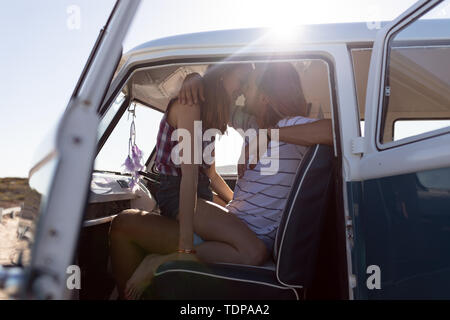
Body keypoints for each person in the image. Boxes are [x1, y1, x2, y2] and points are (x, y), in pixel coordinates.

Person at [110, 62, 327, 300]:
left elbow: (332, 131)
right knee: (126, 223)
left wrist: (270, 133)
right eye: (242, 83)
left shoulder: (282, 127)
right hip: (204, 204)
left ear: (265, 97)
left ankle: (161, 263)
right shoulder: (249, 124)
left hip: (228, 217)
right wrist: (195, 78)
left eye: (249, 85)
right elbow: (192, 176)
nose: (243, 92)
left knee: (251, 252)